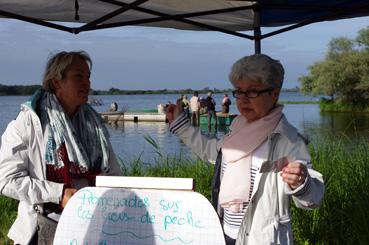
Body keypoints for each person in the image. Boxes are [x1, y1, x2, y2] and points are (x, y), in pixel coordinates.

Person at [166, 54, 324, 245]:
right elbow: (212, 152)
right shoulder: (237, 128)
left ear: (274, 93)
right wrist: (181, 125)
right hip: (222, 235)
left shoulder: (288, 140)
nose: (242, 100)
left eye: (252, 92)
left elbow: (313, 199)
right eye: (239, 91)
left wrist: (301, 181)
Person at [0, 51, 122, 245]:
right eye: (78, 76)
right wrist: (58, 193)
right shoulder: (30, 122)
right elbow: (6, 180)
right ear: (57, 82)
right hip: (42, 230)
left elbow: (115, 175)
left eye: (88, 77)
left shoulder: (95, 125)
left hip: (90, 228)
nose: (87, 83)